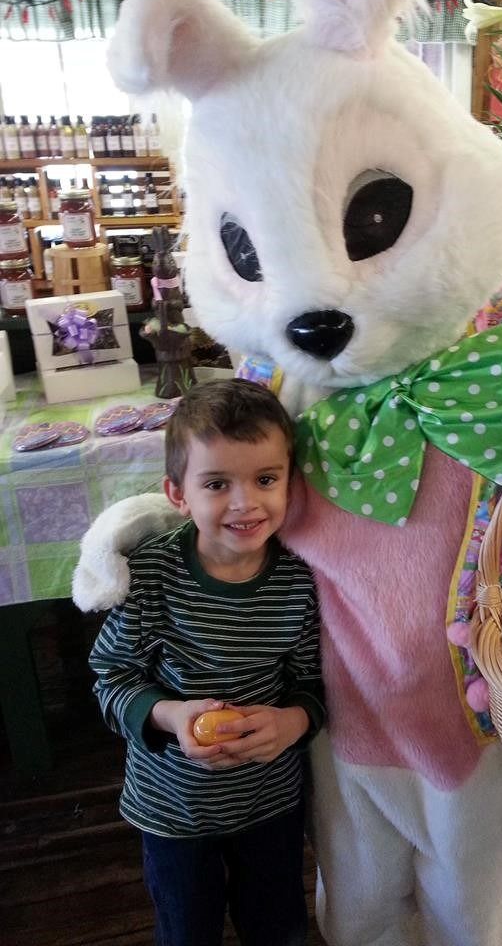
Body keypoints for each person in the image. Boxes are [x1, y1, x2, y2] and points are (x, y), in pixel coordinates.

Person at [88, 379, 325, 946]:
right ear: (178, 494)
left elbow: (314, 682)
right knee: (186, 931)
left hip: (270, 805)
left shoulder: (299, 579)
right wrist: (170, 716)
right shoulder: (148, 576)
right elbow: (110, 679)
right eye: (217, 484)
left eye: (266, 479)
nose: (245, 503)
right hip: (172, 811)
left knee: (278, 929)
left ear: (291, 481)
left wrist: (293, 722)